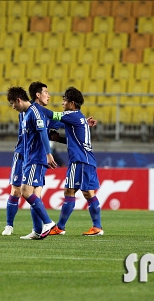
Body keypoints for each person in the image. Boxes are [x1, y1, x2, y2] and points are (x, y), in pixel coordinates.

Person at [38, 87, 104, 236]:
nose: (62, 103)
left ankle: (60, 227)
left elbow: (50, 114)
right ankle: (97, 227)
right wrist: (58, 138)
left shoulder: (71, 115)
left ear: (72, 103)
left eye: (64, 100)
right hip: (87, 160)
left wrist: (34, 106)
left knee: (70, 191)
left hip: (79, 160)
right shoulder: (79, 117)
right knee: (88, 193)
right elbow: (74, 140)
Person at [2, 82, 63, 236]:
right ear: (37, 94)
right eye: (46, 92)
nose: (49, 95)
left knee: (31, 192)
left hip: (37, 157)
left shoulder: (39, 113)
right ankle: (24, 228)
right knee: (19, 191)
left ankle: (46, 225)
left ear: (18, 100)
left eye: (12, 103)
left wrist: (81, 123)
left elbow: (58, 123)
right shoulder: (25, 113)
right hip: (24, 155)